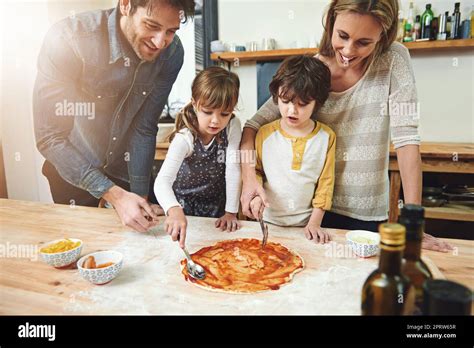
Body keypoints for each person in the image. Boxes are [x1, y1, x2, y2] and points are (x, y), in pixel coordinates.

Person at [239, 0, 452, 252]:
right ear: (331, 21)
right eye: (342, 36)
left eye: (364, 42)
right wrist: (249, 178)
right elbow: (252, 127)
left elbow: (407, 141)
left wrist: (415, 224)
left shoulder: (394, 59)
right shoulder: (313, 73)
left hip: (366, 212)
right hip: (312, 214)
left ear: (383, 34)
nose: (349, 50)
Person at [33, 0, 195, 233]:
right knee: (85, 254)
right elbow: (49, 138)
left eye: (170, 31)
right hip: (73, 173)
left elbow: (145, 127)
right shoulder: (68, 39)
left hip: (128, 170)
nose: (160, 42)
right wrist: (115, 196)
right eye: (151, 25)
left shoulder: (172, 54)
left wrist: (139, 195)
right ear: (126, 5)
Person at [249, 55, 334, 244]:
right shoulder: (264, 134)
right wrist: (255, 197)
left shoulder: (327, 137)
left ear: (317, 103)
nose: (292, 110)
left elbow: (325, 185)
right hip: (266, 223)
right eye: (285, 101)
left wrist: (314, 223)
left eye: (302, 104)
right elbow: (255, 172)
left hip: (305, 227)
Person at [154, 67, 242, 248]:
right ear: (194, 104)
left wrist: (231, 212)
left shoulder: (233, 125)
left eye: (224, 113)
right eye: (208, 112)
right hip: (183, 209)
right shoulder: (184, 138)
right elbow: (162, 182)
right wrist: (173, 209)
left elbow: (233, 168)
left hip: (217, 207)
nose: (216, 121)